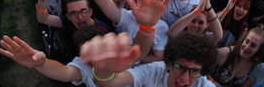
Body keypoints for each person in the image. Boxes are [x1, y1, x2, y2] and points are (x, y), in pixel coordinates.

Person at [80, 32, 218, 87]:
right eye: (180, 67)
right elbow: (110, 82)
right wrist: (104, 68)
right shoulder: (155, 70)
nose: (185, 79)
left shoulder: (203, 85)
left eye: (194, 71)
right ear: (168, 65)